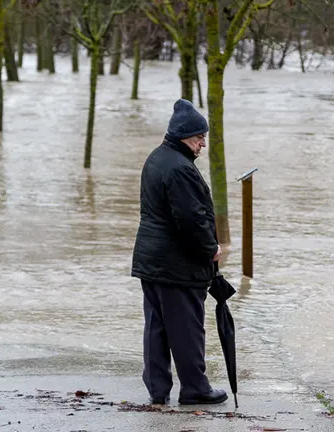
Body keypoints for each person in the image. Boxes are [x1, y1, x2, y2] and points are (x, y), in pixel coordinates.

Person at [131, 98, 227, 406]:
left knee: (156, 326)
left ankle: (158, 389)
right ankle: (195, 388)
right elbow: (191, 218)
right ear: (185, 135)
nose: (202, 143)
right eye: (199, 137)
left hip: (151, 260)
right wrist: (211, 248)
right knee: (187, 328)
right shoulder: (180, 168)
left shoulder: (157, 158)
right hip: (177, 265)